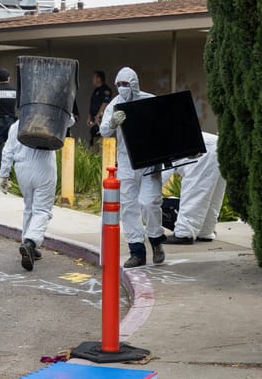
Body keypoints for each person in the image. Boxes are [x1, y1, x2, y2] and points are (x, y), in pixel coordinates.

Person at [99, 67, 167, 268]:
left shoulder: (149, 100)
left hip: (148, 161)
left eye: (126, 84)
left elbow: (166, 127)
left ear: (135, 84)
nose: (122, 88)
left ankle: (156, 240)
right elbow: (103, 131)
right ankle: (137, 251)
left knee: (149, 202)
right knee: (129, 207)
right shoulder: (115, 104)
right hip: (127, 162)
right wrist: (112, 122)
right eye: (119, 84)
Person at [0, 120, 58, 271]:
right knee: (42, 210)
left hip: (22, 169)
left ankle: (28, 242)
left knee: (29, 207)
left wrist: (3, 175)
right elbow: (68, 120)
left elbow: (7, 151)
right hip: (44, 166)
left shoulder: (16, 126)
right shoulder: (49, 118)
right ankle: (30, 243)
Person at [162, 132, 226, 244]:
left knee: (195, 192)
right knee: (214, 194)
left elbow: (159, 177)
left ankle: (184, 233)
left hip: (201, 150)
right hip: (217, 145)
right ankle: (205, 232)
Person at [87, 71, 113, 146]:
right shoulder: (96, 90)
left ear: (99, 78)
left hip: (100, 119)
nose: (92, 79)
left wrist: (98, 116)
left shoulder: (105, 90)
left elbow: (105, 103)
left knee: (100, 138)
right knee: (93, 136)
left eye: (94, 77)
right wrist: (89, 117)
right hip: (94, 119)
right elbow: (92, 105)